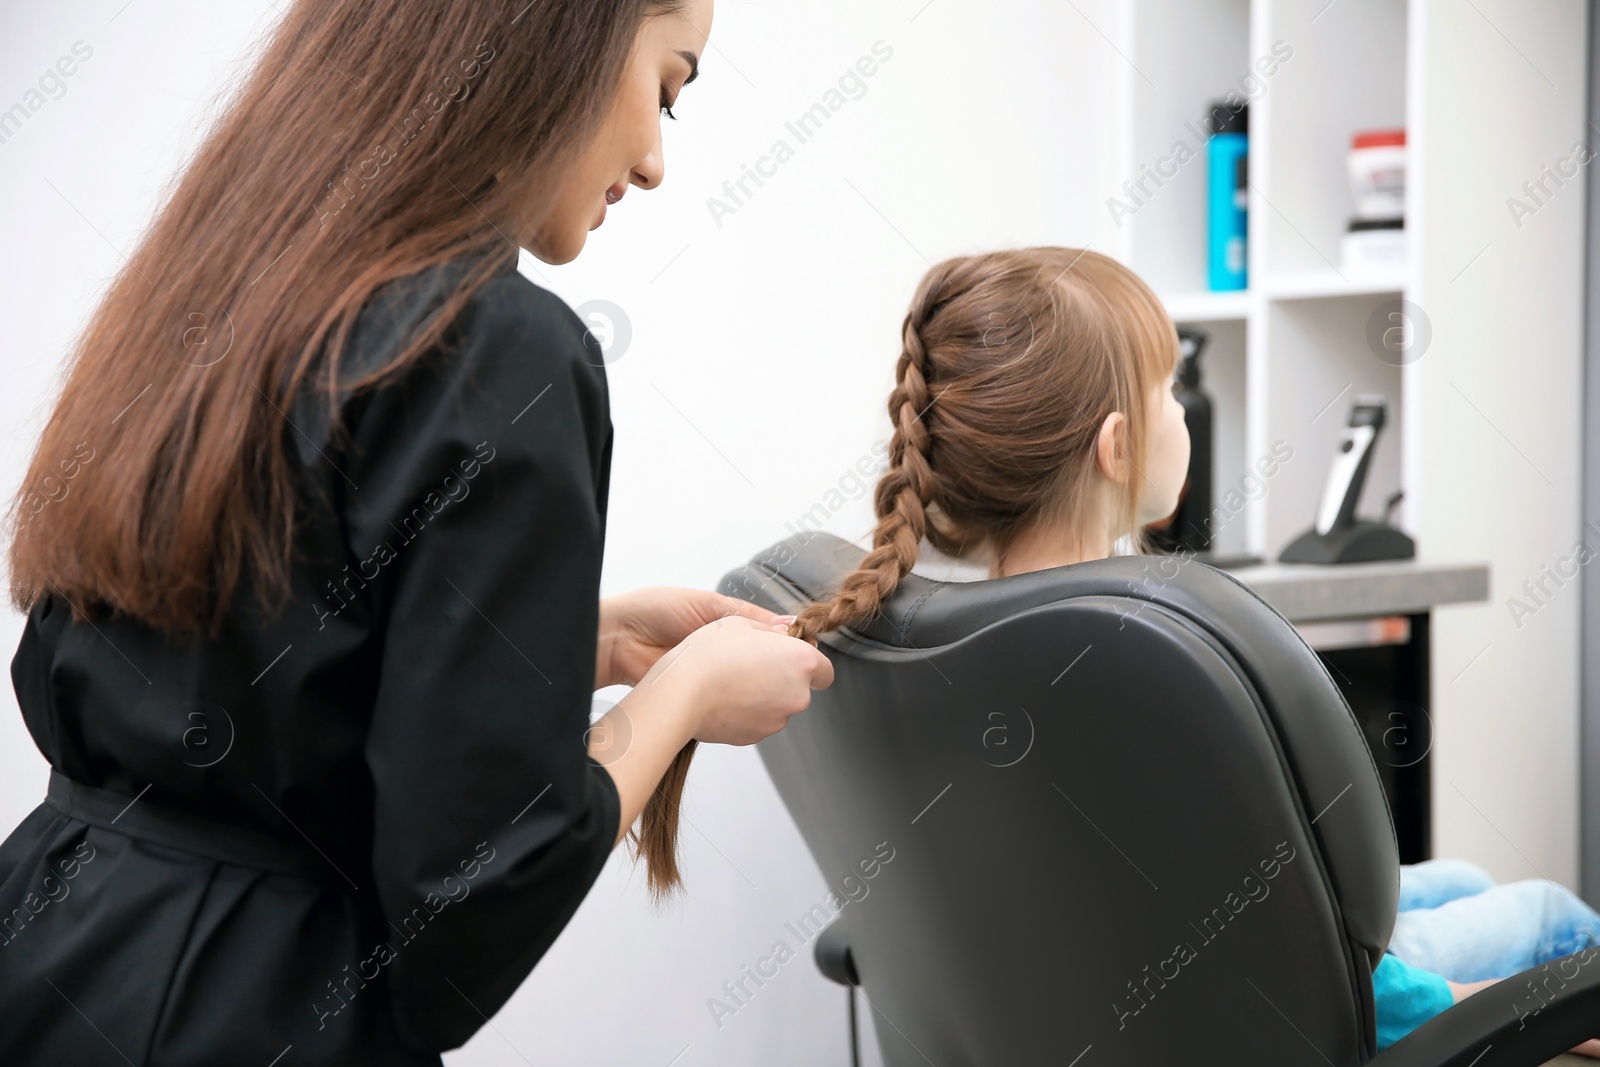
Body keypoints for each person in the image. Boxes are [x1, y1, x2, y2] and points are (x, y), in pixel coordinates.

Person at [0, 1, 832, 1064]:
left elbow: (240, 679)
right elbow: (470, 909)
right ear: (561, 37)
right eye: (666, 89)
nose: (657, 160)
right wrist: (682, 698)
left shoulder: (219, 288)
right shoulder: (500, 350)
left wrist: (578, 649)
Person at [780, 245, 1600, 1054]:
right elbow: (1361, 1002)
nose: (1183, 410)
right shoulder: (1139, 667)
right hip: (1277, 1016)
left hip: (1093, 996)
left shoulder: (951, 645)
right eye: (1168, 389)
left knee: (1461, 882)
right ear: (1118, 445)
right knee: (1549, 916)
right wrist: (1492, 1006)